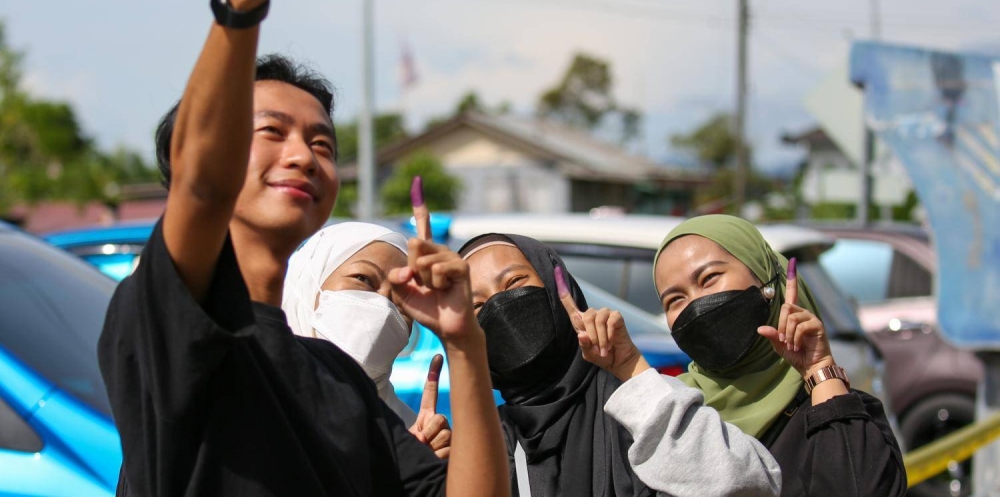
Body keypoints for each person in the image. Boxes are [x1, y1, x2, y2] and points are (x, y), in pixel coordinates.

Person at [98, 0, 508, 497]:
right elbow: (202, 183)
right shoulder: (172, 330)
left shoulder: (336, 379)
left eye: (321, 143)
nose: (302, 156)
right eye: (269, 133)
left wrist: (465, 345)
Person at [460, 233, 782, 497]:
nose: (499, 306)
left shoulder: (636, 407)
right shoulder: (487, 442)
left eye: (514, 282)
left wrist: (631, 369)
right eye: (476, 305)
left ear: (558, 288)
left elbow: (743, 484)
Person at [653, 215, 907, 497]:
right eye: (674, 299)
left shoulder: (839, 412)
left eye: (709, 278)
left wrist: (819, 369)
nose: (696, 305)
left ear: (765, 278)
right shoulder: (673, 415)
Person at [282, 221, 452, 458]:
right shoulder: (251, 394)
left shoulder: (408, 434)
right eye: (363, 279)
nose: (384, 305)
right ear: (311, 281)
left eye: (401, 299)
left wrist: (418, 474)